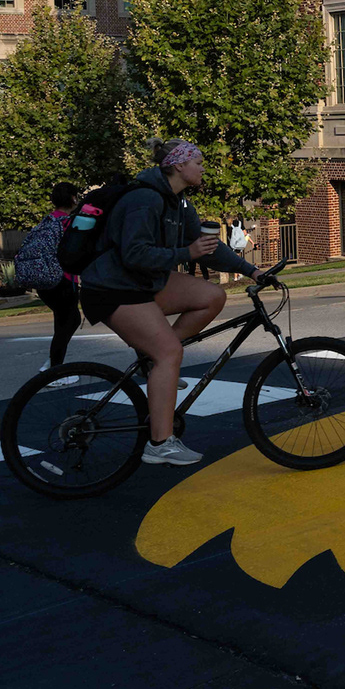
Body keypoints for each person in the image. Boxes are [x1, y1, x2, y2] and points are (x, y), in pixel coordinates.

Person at [78, 141, 266, 467]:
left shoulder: (178, 203)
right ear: (179, 165)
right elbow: (135, 254)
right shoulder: (145, 199)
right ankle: (160, 443)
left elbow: (208, 248)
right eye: (199, 161)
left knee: (212, 296)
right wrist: (185, 254)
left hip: (140, 282)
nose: (203, 168)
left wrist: (251, 270)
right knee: (169, 353)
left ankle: (155, 363)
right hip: (112, 288)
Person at [32, 183, 84, 387]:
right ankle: (55, 371)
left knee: (64, 321)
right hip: (63, 280)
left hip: (44, 279)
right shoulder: (69, 222)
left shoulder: (48, 220)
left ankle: (53, 365)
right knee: (70, 320)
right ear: (73, 199)